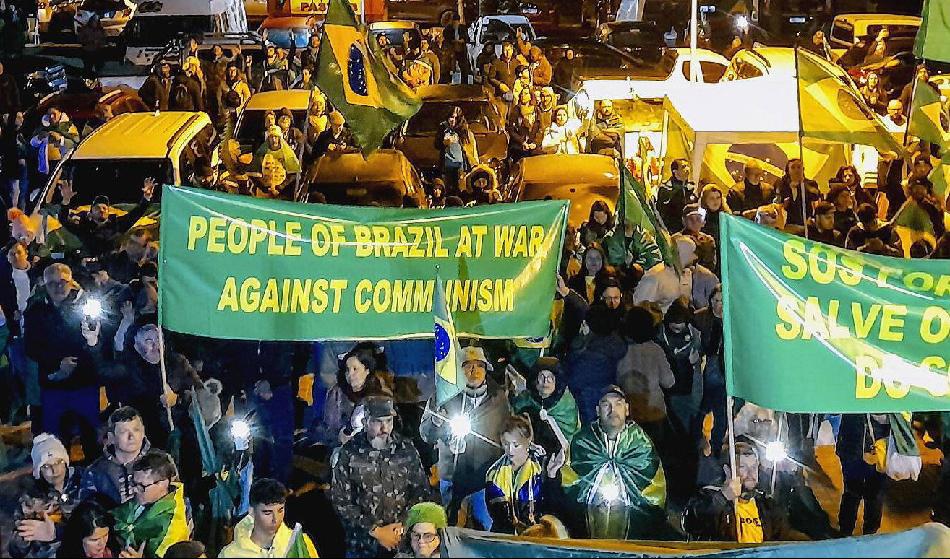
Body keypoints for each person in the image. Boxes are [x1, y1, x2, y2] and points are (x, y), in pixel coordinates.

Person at [420, 346, 510, 530]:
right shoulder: (443, 396)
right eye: (467, 365)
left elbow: (507, 432)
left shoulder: (499, 397)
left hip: (485, 478)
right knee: (452, 527)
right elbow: (425, 434)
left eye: (479, 366)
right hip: (452, 476)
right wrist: (436, 423)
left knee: (487, 526)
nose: (473, 371)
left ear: (486, 369)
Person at [331, 392, 430, 557]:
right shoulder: (349, 453)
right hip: (363, 546)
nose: (384, 429)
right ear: (365, 422)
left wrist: (402, 525)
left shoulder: (405, 449)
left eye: (388, 421)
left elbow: (421, 491)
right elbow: (340, 500)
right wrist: (375, 531)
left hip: (401, 542)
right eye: (377, 422)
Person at [566, 386, 667, 539]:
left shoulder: (641, 444)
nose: (612, 410)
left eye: (618, 404)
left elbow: (655, 491)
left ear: (627, 409)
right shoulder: (583, 442)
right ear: (597, 410)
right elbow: (569, 486)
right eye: (606, 404)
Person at [24, 263, 103, 459]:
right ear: (45, 284)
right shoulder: (35, 310)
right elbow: (31, 347)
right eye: (52, 283)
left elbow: (96, 342)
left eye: (62, 282)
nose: (58, 288)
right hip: (53, 385)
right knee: (56, 438)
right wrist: (57, 365)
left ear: (71, 282)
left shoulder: (85, 306)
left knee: (91, 436)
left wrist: (74, 363)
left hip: (83, 383)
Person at [684, 440, 789, 542]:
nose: (750, 472)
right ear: (727, 470)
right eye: (743, 467)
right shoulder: (707, 495)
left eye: (754, 467)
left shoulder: (766, 504)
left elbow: (784, 535)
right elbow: (691, 523)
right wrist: (723, 497)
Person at [485, 414, 567, 534]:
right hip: (506, 537)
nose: (510, 450)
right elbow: (498, 516)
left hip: (540, 534)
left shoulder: (542, 466)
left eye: (516, 445)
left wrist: (552, 476)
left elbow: (555, 508)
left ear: (527, 442)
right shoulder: (494, 473)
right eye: (506, 444)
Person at [112, 450, 190, 558]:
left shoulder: (173, 528)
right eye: (134, 483)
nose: (135, 490)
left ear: (163, 484)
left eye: (141, 485)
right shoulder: (144, 498)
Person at [56, 177, 156, 257]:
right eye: (97, 208)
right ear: (90, 213)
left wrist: (146, 197)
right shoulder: (83, 228)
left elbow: (137, 213)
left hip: (114, 263)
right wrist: (66, 200)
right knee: (57, 256)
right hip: (89, 264)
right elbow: (63, 220)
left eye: (104, 208)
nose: (101, 210)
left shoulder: (118, 224)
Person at [219, 478, 318, 557]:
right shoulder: (231, 554)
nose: (276, 519)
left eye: (280, 510)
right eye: (267, 512)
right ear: (252, 511)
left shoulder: (300, 542)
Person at [509, 357, 581, 457]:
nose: (545, 381)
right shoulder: (525, 400)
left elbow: (569, 435)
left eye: (550, 377)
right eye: (541, 377)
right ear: (535, 380)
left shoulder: (566, 405)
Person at [81, 406, 153, 506]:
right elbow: (87, 512)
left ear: (143, 431)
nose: (131, 436)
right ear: (111, 437)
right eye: (124, 432)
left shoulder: (161, 463)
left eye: (136, 430)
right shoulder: (95, 473)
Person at [836, 414, 889, 537]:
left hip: (879, 448)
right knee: (852, 491)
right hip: (852, 446)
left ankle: (869, 534)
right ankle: (845, 532)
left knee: (874, 494)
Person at [56, 500, 121, 558]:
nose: (102, 543)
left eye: (105, 535)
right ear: (79, 539)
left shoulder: (113, 546)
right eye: (95, 540)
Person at [774, 158, 821, 234]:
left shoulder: (811, 184)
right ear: (788, 171)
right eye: (793, 167)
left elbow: (816, 204)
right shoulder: (782, 185)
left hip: (807, 223)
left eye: (799, 167)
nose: (796, 170)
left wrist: (812, 218)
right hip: (788, 224)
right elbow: (778, 203)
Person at [656, 159, 697, 231]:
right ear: (675, 171)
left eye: (688, 166)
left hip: (690, 229)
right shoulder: (666, 189)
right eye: (683, 167)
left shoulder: (692, 188)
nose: (687, 169)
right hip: (672, 229)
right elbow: (662, 212)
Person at [442, 13, 471, 84]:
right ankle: (448, 82)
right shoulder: (448, 29)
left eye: (456, 22)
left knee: (464, 67)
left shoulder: (463, 28)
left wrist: (462, 40)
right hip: (452, 50)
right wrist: (453, 41)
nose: (455, 24)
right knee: (449, 67)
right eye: (454, 22)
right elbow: (446, 38)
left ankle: (464, 84)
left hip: (461, 50)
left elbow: (467, 38)